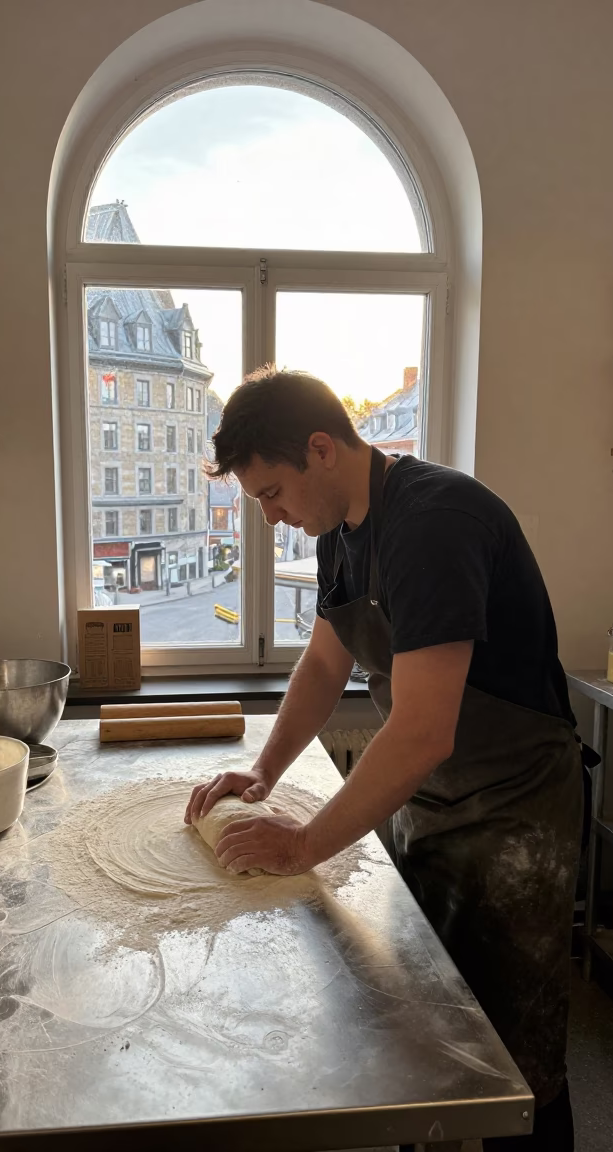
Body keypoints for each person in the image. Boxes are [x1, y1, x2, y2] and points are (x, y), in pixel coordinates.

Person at [185, 366, 583, 1151]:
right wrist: (264, 772)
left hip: (513, 813)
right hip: (429, 798)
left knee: (516, 1059)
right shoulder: (341, 529)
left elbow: (423, 729)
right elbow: (326, 665)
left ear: (321, 450)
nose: (270, 518)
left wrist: (302, 844)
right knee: (418, 1023)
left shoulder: (434, 524)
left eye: (270, 494)